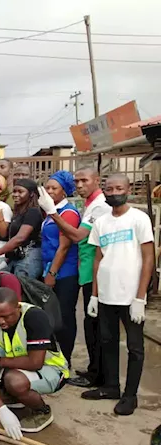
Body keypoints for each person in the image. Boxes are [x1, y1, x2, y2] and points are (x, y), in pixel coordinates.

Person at [82, 174, 154, 416]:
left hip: (130, 296)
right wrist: (94, 295)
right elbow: (98, 258)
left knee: (135, 348)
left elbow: (148, 258)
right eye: (109, 189)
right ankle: (111, 386)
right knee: (107, 342)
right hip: (105, 295)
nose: (114, 192)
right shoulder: (101, 222)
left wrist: (140, 298)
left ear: (128, 189)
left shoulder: (139, 219)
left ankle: (130, 395)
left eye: (119, 188)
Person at [37, 167, 111, 388]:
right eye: (77, 181)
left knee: (72, 320)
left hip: (75, 272)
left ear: (97, 180)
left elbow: (72, 240)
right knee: (89, 324)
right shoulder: (88, 205)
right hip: (84, 271)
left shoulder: (78, 210)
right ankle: (93, 371)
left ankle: (93, 374)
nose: (80, 185)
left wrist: (52, 273)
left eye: (84, 180)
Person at [0, 288, 69, 438]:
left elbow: (36, 363)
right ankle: (13, 398)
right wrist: (1, 409)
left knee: (14, 381)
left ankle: (42, 411)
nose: (1, 321)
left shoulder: (35, 317)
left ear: (17, 307)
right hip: (18, 363)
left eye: (5, 316)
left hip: (52, 369)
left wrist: (2, 361)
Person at [40, 171, 80, 364]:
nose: (49, 191)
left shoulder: (68, 213)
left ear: (64, 191)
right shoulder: (50, 212)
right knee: (52, 315)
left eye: (54, 188)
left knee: (64, 317)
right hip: (49, 268)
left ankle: (66, 359)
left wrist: (52, 273)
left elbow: (64, 247)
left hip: (64, 272)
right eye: (47, 188)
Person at [0, 179, 42, 279]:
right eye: (14, 191)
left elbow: (20, 238)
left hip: (29, 258)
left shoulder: (33, 212)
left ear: (32, 194)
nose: (15, 194)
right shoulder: (18, 213)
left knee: (22, 290)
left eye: (20, 191)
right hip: (16, 257)